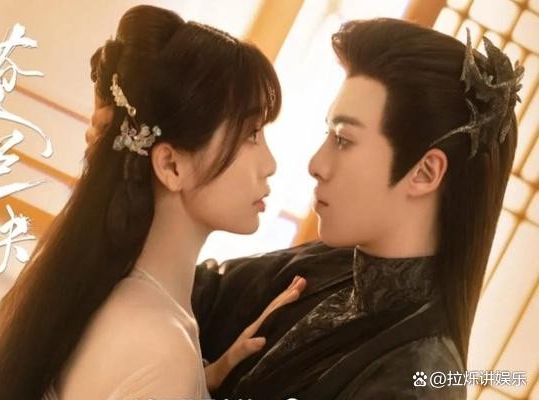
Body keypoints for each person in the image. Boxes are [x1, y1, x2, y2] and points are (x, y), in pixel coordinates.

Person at [0, 5, 309, 400]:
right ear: (171, 166)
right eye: (251, 133)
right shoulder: (159, 347)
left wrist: (206, 378)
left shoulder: (109, 296)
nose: (269, 164)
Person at [190, 18, 524, 399]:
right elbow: (190, 295)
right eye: (328, 133)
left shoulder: (417, 378)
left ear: (425, 172)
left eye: (343, 140)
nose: (316, 164)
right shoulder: (326, 266)